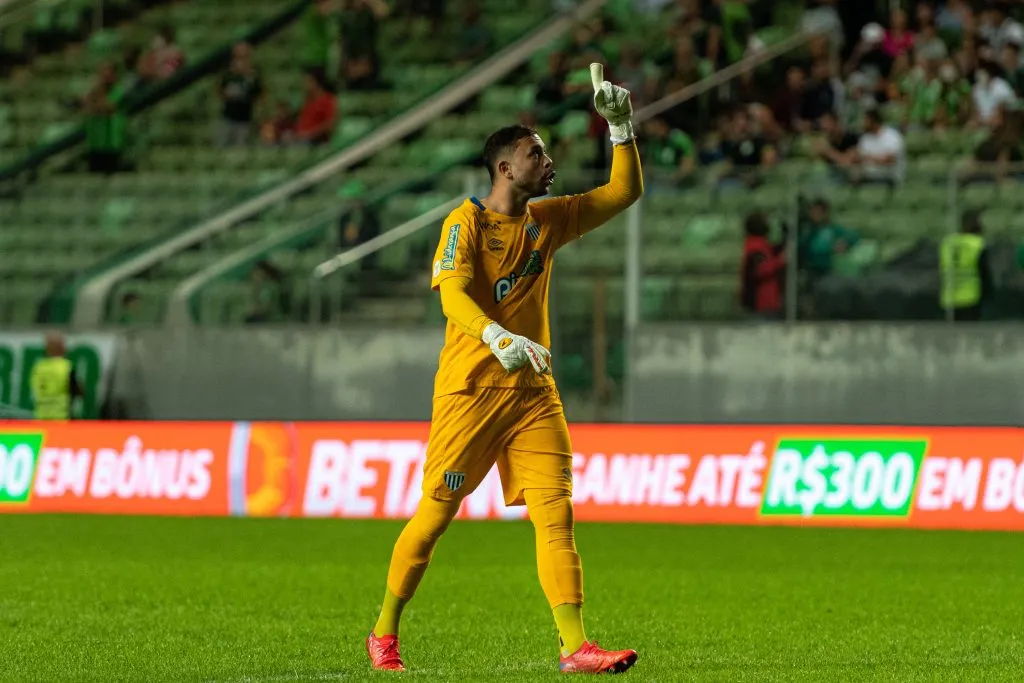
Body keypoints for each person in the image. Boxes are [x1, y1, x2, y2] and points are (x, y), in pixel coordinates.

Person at [365, 64, 643, 675]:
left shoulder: (550, 220)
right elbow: (452, 296)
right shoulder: (463, 224)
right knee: (435, 515)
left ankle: (575, 647)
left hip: (532, 394)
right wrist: (497, 335)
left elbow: (622, 193)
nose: (548, 160)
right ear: (504, 168)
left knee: (556, 513)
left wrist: (621, 128)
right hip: (471, 391)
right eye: (534, 152)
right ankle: (384, 630)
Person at [939, 210, 993, 321]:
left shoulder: (948, 243)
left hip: (949, 298)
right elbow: (984, 274)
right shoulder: (977, 245)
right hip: (970, 299)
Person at [30, 332, 82, 420]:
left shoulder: (38, 367)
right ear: (62, 347)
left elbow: (35, 388)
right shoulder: (66, 366)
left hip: (41, 417)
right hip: (62, 417)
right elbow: (76, 390)